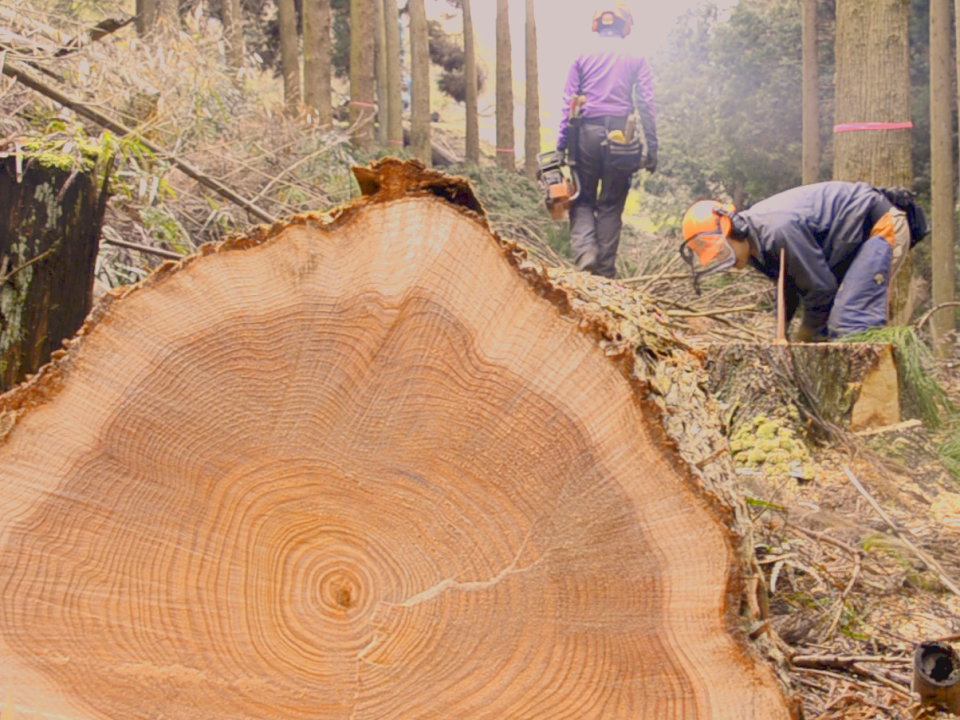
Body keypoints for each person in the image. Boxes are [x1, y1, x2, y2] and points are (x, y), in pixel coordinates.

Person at [679, 181, 924, 341]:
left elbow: (820, 290)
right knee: (831, 327)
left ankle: (867, 409)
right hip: (847, 244)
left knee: (850, 321)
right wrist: (778, 332)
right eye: (719, 258)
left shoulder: (777, 233)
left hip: (877, 226)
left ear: (735, 228)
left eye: (723, 252)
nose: (727, 262)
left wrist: (803, 335)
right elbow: (791, 284)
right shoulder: (756, 247)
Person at [556, 1, 658, 279]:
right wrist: (652, 147)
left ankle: (586, 253)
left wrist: (561, 145)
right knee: (611, 203)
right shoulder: (637, 56)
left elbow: (569, 102)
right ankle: (605, 271)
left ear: (597, 24)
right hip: (622, 135)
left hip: (585, 133)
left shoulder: (581, 54)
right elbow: (647, 103)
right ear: (625, 25)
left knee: (583, 198)